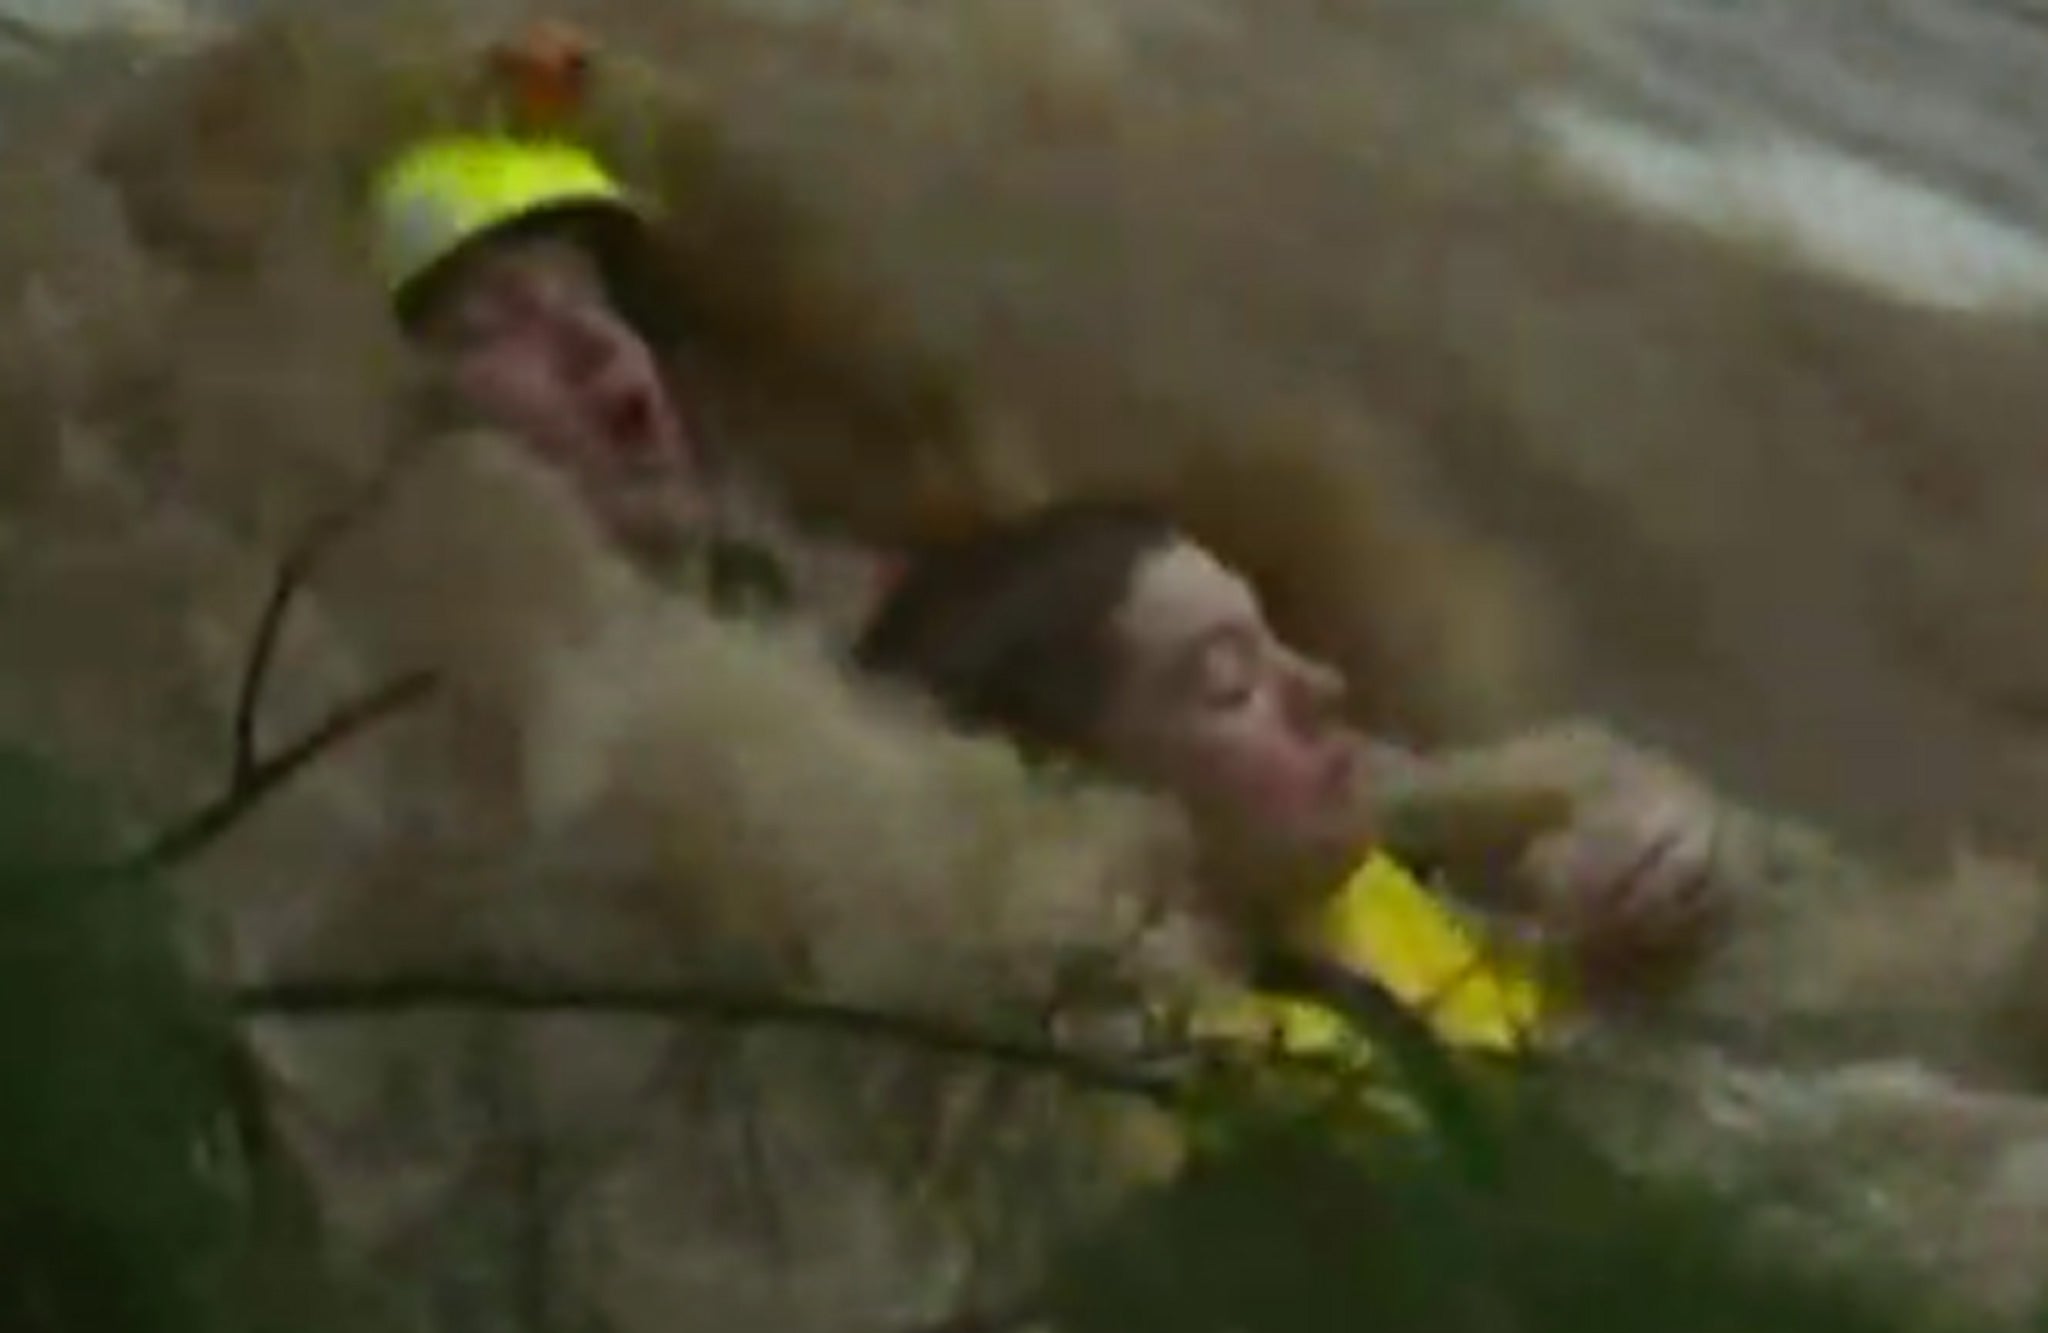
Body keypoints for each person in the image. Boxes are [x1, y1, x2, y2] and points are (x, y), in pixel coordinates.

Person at [859, 496, 1730, 1062]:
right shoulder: (1171, 1083)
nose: (1323, 688)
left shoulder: (1364, 879)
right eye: (1230, 685)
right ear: (1093, 808)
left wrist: (1636, 901)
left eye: (1276, 641)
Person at [363, 23, 926, 634]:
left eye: (595, 297)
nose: (594, 343)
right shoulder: (459, 667)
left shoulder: (850, 603)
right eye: (503, 323)